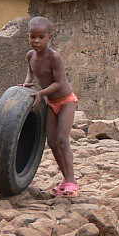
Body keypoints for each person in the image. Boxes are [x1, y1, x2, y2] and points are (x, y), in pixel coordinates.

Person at [22, 16, 80, 196]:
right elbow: (31, 73)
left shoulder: (54, 57)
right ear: (28, 36)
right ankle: (65, 179)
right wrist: (27, 84)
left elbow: (59, 83)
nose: (36, 41)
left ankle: (72, 181)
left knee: (63, 139)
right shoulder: (30, 56)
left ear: (49, 37)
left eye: (41, 37)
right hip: (50, 102)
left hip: (65, 101)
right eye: (33, 37)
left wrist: (40, 93)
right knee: (52, 142)